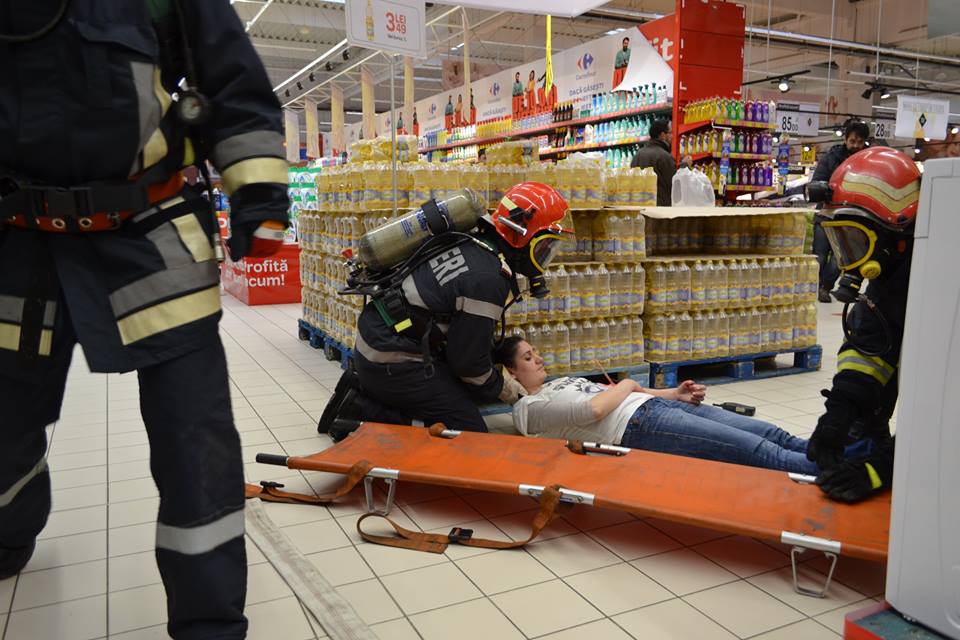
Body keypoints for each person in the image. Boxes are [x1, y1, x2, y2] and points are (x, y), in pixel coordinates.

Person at [0, 2, 290, 638]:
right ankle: (7, 533)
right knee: (4, 426)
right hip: (15, 248)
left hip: (151, 238)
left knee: (195, 442)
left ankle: (209, 626)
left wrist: (260, 197)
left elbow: (233, 82)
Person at [321, 183, 575, 436]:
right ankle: (360, 410)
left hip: (383, 340)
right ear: (521, 235)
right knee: (467, 432)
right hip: (391, 360)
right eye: (544, 246)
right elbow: (469, 365)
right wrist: (511, 391)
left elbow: (467, 340)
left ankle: (372, 391)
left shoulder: (476, 243)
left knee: (471, 391)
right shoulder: (488, 279)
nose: (545, 256)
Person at [495, 338, 872, 475]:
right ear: (511, 373)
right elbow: (593, 411)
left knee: (772, 434)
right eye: (528, 358)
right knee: (760, 452)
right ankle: (850, 471)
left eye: (536, 352)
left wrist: (673, 394)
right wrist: (628, 383)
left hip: (654, 409)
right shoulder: (529, 410)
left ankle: (849, 452)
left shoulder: (558, 383)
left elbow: (621, 394)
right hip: (638, 428)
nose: (538, 359)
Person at [804, 146, 920, 503]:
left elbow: (947, 411)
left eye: (856, 241)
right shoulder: (895, 271)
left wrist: (884, 469)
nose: (849, 261)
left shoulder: (943, 296)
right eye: (841, 242)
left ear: (897, 236)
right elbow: (871, 349)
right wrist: (837, 416)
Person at [811, 119, 870, 301]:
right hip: (826, 214)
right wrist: (827, 190)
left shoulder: (868, 161)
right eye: (852, 141)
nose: (856, 145)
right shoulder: (831, 158)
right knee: (820, 256)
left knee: (840, 259)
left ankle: (824, 287)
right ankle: (814, 287)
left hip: (850, 218)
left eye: (860, 142)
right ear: (845, 139)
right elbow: (817, 180)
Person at [631, 119, 677, 206]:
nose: (672, 136)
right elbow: (675, 186)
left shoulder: (638, 155)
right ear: (663, 135)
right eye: (670, 133)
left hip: (638, 207)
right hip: (659, 209)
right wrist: (684, 166)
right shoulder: (665, 157)